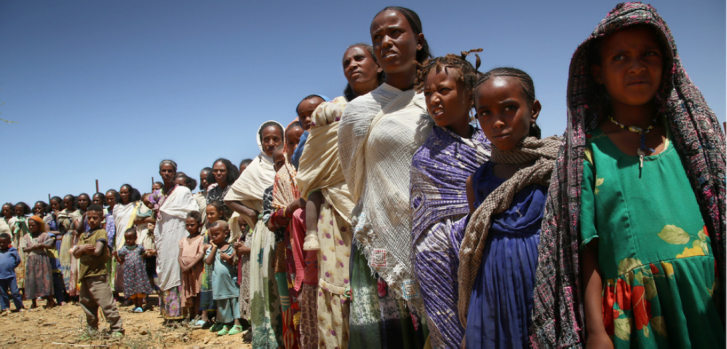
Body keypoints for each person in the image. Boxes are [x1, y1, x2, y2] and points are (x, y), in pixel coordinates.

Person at [531, 3, 726, 347]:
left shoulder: (693, 142)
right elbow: (584, 251)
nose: (636, 67)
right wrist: (595, 330)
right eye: (619, 58)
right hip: (635, 318)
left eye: (648, 54)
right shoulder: (585, 155)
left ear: (666, 64)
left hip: (705, 300)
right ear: (597, 73)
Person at [338, 6, 432, 348]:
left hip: (438, 241)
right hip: (381, 247)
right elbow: (355, 179)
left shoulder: (441, 98)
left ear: (418, 41)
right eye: (378, 37)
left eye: (395, 32)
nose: (386, 41)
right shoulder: (358, 112)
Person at [456, 68, 558, 348]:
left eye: (509, 108)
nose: (497, 122)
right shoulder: (477, 182)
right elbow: (475, 251)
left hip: (547, 294)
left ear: (533, 109)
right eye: (485, 113)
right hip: (491, 301)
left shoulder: (557, 169)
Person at [408, 50, 491, 348]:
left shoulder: (493, 147)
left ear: (471, 95)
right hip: (438, 263)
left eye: (444, 90)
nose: (434, 99)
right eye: (428, 92)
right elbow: (421, 220)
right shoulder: (424, 157)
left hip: (488, 251)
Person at [225, 120, 284, 348]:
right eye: (266, 139)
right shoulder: (255, 168)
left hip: (288, 228)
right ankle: (269, 338)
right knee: (267, 281)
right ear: (260, 141)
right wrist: (253, 213)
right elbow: (230, 198)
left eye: (275, 138)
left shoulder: (288, 162)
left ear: (282, 140)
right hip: (265, 230)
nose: (270, 143)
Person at [154, 159, 199, 321]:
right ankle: (169, 313)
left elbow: (193, 212)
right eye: (164, 171)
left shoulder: (183, 192)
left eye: (170, 171)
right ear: (160, 172)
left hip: (179, 236)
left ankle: (184, 314)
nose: (166, 173)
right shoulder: (158, 195)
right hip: (164, 238)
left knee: (179, 270)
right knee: (165, 269)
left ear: (174, 172)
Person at [268, 142, 303, 349]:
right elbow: (270, 222)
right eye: (277, 163)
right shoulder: (272, 189)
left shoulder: (322, 172)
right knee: (290, 306)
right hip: (285, 254)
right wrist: (290, 208)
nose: (282, 166)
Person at [73, 204, 123, 339]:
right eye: (89, 218)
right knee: (87, 304)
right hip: (85, 276)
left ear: (101, 218)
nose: (91, 221)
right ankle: (92, 328)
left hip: (97, 275)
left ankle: (117, 328)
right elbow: (76, 254)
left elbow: (97, 251)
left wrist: (81, 249)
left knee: (106, 303)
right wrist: (82, 248)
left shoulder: (101, 233)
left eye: (95, 218)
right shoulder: (84, 235)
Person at [205, 220, 244, 336]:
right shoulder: (212, 249)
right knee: (223, 304)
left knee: (234, 302)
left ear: (226, 233)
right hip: (219, 284)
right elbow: (208, 261)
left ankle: (237, 324)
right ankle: (227, 323)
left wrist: (228, 258)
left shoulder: (231, 247)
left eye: (217, 234)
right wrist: (213, 248)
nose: (214, 236)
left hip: (231, 282)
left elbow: (235, 262)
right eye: (212, 234)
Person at [194, 201, 227, 329]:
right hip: (208, 264)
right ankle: (205, 317)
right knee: (207, 287)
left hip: (219, 263)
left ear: (221, 213)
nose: (209, 216)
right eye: (207, 214)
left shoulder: (224, 227)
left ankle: (220, 317)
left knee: (219, 288)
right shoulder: (208, 230)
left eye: (212, 213)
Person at [112, 184, 141, 299]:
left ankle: (134, 295)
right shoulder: (117, 207)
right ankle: (124, 294)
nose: (123, 195)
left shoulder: (136, 205)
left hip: (131, 239)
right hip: (119, 238)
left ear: (130, 193)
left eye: (126, 192)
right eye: (121, 193)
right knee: (121, 268)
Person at [114, 227, 154, 313]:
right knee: (132, 291)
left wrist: (151, 253)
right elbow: (121, 261)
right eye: (127, 239)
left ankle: (140, 306)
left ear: (135, 238)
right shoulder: (124, 250)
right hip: (129, 274)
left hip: (139, 273)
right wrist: (116, 256)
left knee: (139, 290)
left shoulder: (140, 248)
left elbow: (145, 255)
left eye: (130, 238)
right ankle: (136, 306)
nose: (128, 240)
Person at [24, 215, 56, 308]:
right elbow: (24, 248)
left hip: (43, 259)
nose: (31, 227)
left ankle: (50, 300)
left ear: (39, 225)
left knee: (45, 279)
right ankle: (33, 302)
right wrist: (34, 247)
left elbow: (51, 244)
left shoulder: (44, 235)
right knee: (31, 280)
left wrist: (41, 245)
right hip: (31, 260)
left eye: (33, 225)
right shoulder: (26, 236)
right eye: (29, 225)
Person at [179, 211, 205, 323]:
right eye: (187, 225)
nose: (189, 227)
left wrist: (189, 266)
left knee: (197, 293)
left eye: (192, 225)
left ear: (199, 225)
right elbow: (180, 255)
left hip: (196, 271)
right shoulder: (183, 240)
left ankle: (197, 315)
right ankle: (190, 315)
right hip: (186, 272)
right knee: (188, 292)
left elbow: (200, 254)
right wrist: (183, 267)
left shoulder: (201, 239)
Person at [290, 95, 326, 170]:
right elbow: (297, 162)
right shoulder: (304, 139)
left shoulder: (338, 133)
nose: (307, 119)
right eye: (303, 117)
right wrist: (307, 136)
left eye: (312, 114)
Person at [58, 195, 81, 299]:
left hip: (76, 238)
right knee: (66, 262)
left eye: (68, 202)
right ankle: (67, 291)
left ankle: (77, 290)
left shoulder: (78, 212)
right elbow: (61, 230)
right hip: (67, 239)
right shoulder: (61, 214)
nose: (66, 204)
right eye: (65, 202)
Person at [10, 202, 31, 293]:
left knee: (27, 265)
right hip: (16, 243)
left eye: (21, 210)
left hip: (25, 242)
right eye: (17, 210)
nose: (19, 212)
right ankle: (19, 288)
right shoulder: (12, 220)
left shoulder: (28, 219)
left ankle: (28, 289)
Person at [0, 233, 23, 313]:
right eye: (0, 242)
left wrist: (11, 266)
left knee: (15, 292)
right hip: (1, 276)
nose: (1, 244)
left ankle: (19, 306)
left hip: (11, 275)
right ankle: (5, 308)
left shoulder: (12, 251)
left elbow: (18, 260)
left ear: (9, 242)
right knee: (3, 293)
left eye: (4, 242)